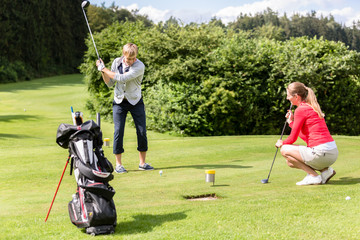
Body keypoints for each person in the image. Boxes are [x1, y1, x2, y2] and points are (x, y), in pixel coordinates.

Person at [96, 43, 154, 173]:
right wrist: (102, 71)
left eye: (133, 58)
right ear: (124, 55)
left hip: (135, 101)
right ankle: (119, 165)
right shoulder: (117, 62)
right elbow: (110, 83)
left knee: (141, 131)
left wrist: (104, 68)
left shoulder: (140, 66)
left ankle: (142, 163)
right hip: (119, 101)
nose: (131, 61)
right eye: (128, 59)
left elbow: (121, 78)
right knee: (118, 131)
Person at [275, 82, 338, 185]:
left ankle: (314, 176)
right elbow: (306, 136)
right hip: (332, 152)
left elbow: (292, 138)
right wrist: (291, 122)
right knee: (290, 162)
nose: (287, 98)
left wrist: (282, 143)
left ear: (296, 96)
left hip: (322, 152)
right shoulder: (311, 107)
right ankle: (325, 171)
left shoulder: (300, 110)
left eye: (288, 95)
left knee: (284, 149)